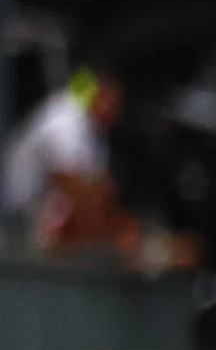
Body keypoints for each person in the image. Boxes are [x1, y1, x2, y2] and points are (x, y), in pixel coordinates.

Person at [4, 70, 127, 250]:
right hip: (18, 225)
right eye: (111, 101)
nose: (116, 111)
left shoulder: (95, 130)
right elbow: (75, 191)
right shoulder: (63, 121)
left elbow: (102, 188)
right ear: (95, 93)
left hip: (48, 219)